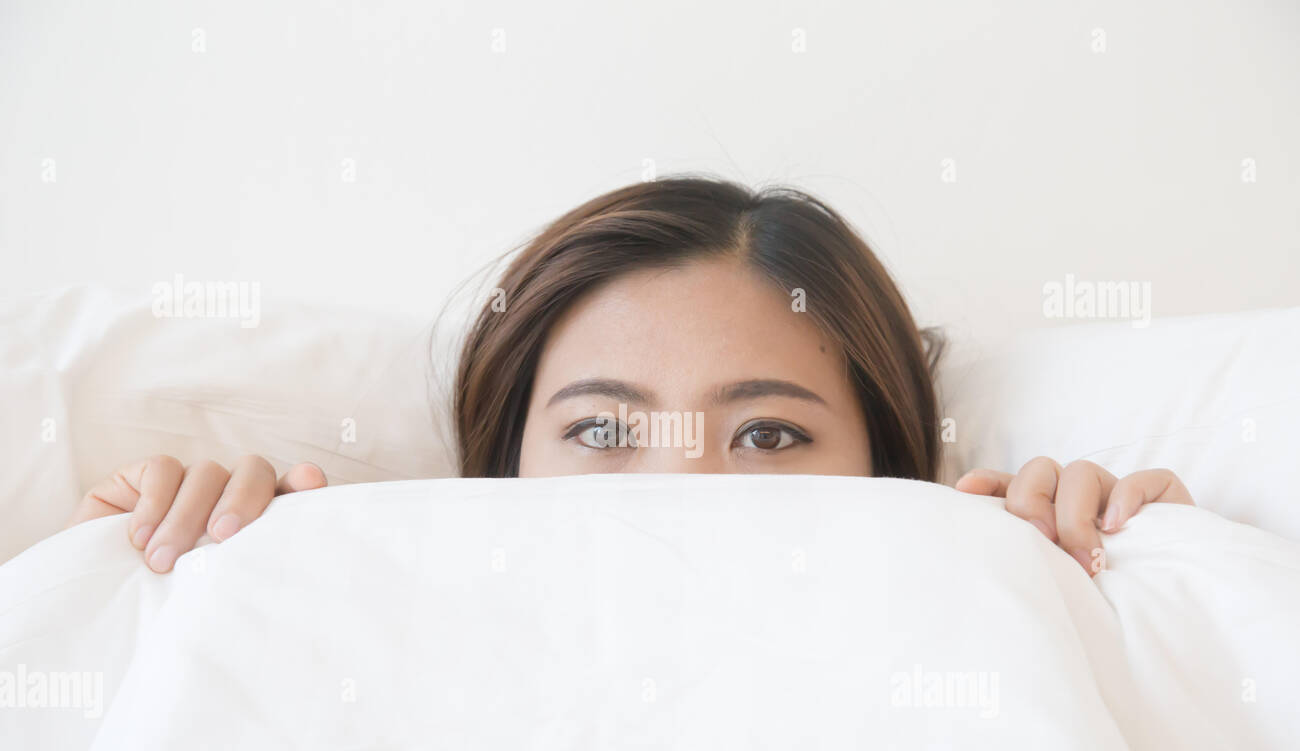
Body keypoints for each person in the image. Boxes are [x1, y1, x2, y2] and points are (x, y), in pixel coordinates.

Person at [66, 177, 1193, 575]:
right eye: (602, 430)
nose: (680, 487)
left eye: (765, 433)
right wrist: (150, 565)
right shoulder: (349, 593)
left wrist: (1128, 580)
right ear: (500, 468)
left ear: (891, 467)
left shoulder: (985, 590)